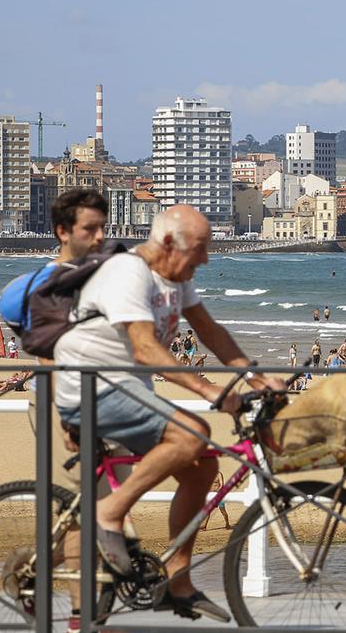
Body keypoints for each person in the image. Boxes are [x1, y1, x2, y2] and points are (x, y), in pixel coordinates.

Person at [53, 205, 283, 623]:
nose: (206, 259)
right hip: (90, 387)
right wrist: (208, 388)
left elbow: (210, 332)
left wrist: (255, 378)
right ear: (167, 243)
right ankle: (110, 513)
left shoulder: (177, 278)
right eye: (200, 249)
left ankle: (177, 582)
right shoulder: (129, 272)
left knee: (202, 465)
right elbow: (143, 347)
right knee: (193, 431)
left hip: (127, 390)